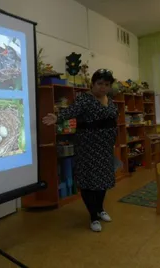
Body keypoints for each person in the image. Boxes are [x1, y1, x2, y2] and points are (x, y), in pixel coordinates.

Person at [42, 69, 118, 232]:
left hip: (105, 148)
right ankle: (93, 217)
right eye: (99, 84)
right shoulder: (84, 99)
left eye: (106, 84)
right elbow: (71, 111)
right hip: (88, 148)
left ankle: (100, 208)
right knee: (89, 181)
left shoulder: (110, 101)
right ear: (92, 84)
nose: (103, 88)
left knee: (102, 180)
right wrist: (57, 117)